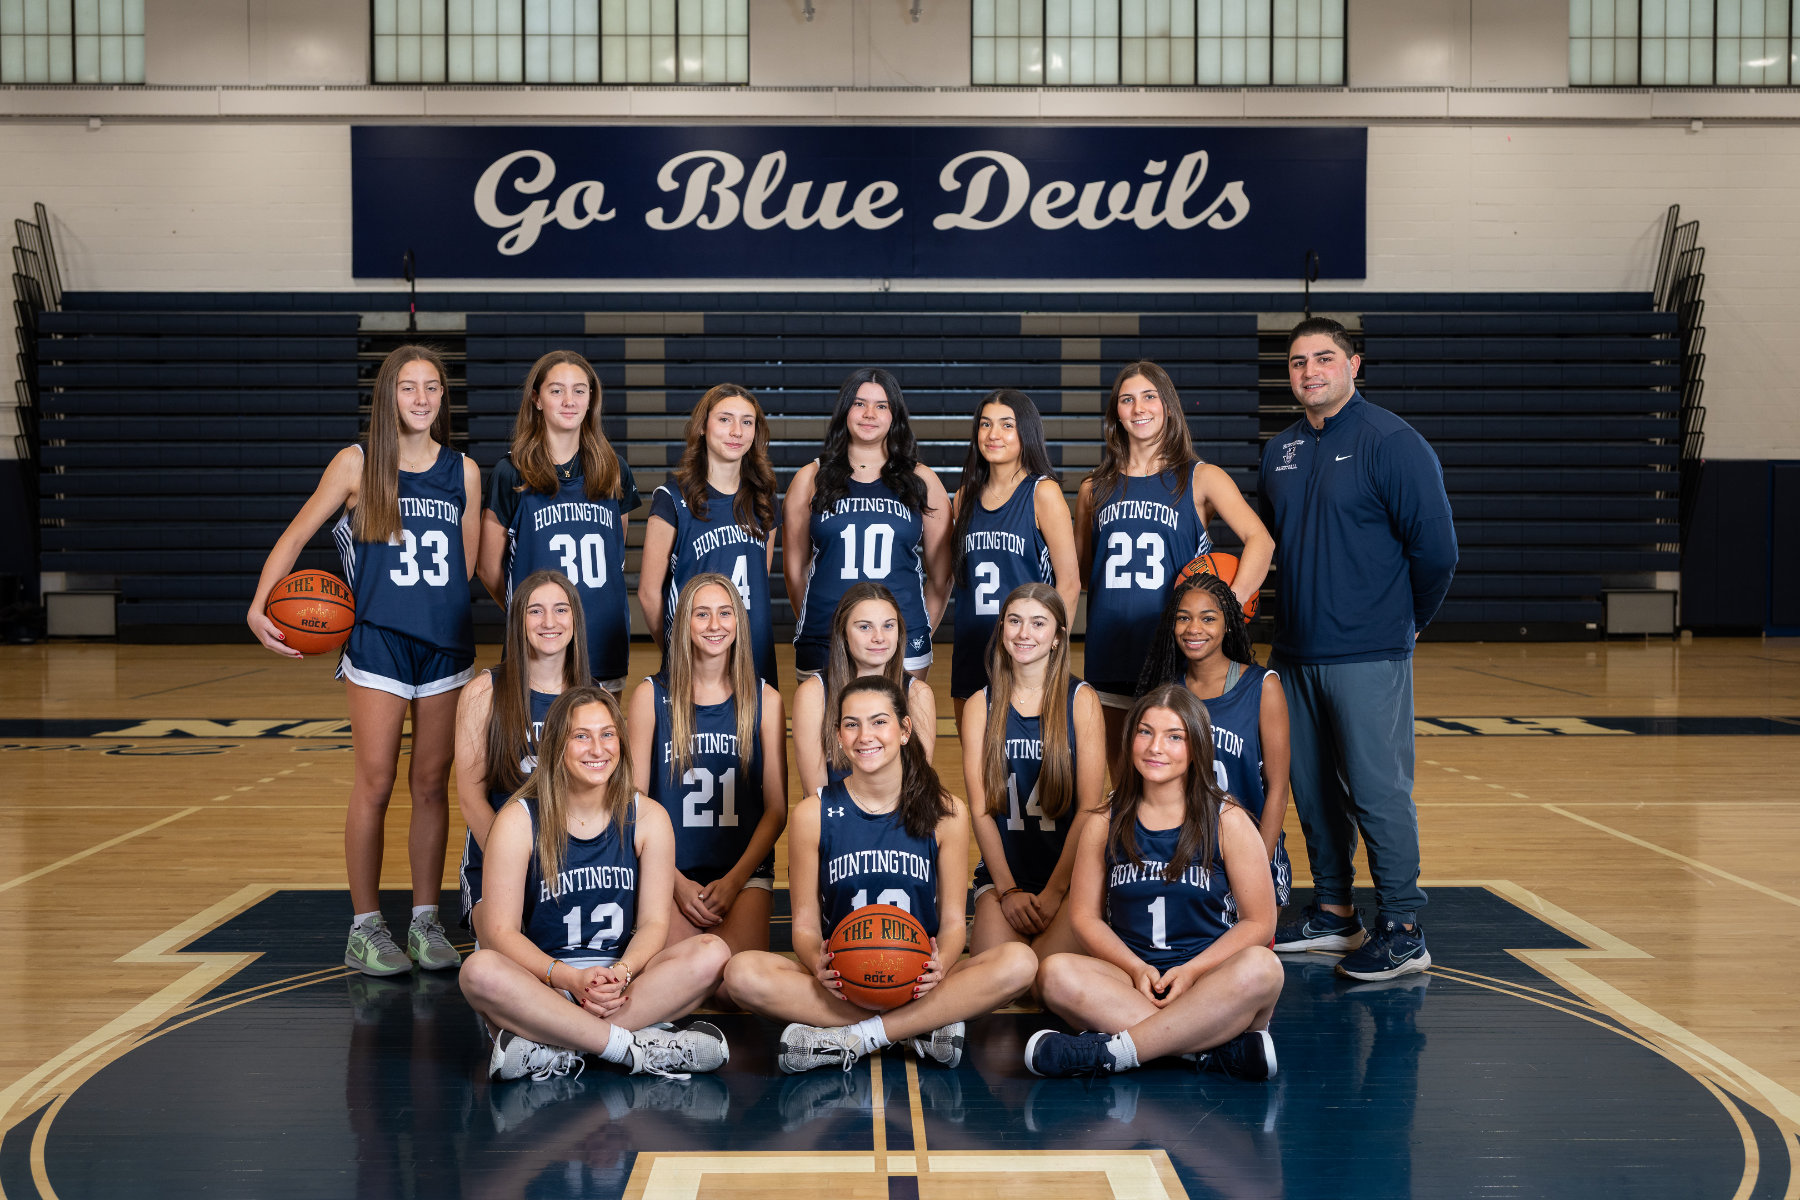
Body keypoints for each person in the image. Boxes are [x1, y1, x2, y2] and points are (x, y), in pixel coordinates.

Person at [246, 344, 477, 977]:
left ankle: (425, 920)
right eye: (408, 387)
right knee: (375, 782)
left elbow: (464, 569)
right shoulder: (356, 463)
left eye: (432, 387)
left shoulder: (464, 471)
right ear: (387, 396)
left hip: (445, 645)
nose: (422, 398)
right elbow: (296, 535)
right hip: (377, 642)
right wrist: (259, 605)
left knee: (431, 785)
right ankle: (365, 926)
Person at [1259, 317, 1458, 981]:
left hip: (1368, 651)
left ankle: (1403, 928)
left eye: (1324, 358)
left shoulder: (1392, 443)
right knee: (1312, 792)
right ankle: (1335, 912)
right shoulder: (1281, 451)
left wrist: (1409, 621)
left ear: (1354, 365)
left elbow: (1438, 551)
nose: (1309, 372)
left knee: (1378, 792)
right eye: (1297, 362)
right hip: (1294, 652)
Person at [723, 676, 1038, 1073]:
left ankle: (855, 1037)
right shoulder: (813, 815)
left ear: (905, 730)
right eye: (851, 724)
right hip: (844, 982)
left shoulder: (946, 813)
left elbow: (954, 923)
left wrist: (941, 964)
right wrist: (817, 961)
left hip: (919, 980)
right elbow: (804, 924)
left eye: (878, 722)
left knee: (1020, 963)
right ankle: (914, 1030)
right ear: (838, 736)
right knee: (741, 974)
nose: (864, 736)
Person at [457, 686, 733, 1082]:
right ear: (557, 746)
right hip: (545, 983)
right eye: (581, 736)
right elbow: (501, 933)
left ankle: (556, 1044)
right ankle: (634, 1047)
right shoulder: (518, 821)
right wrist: (568, 978)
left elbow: (654, 924)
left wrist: (621, 973)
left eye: (607, 734)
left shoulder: (648, 817)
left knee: (713, 953)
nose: (598, 749)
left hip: (621, 988)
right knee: (478, 970)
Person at [1024, 685, 1284, 1080]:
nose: (1155, 747)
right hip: (1133, 981)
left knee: (1264, 967)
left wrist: (1192, 971)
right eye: (1145, 732)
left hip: (1208, 980)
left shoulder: (1227, 819)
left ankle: (1110, 1053)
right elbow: (1084, 918)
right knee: (1054, 972)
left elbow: (1260, 922)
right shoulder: (1104, 820)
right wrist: (1135, 968)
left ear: (1197, 747)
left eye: (1174, 737)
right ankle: (1207, 1050)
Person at [1074, 361, 1273, 772]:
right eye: (1127, 399)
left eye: (1149, 396)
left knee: (1176, 777)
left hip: (1177, 654)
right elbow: (1085, 571)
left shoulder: (1201, 477)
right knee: (1122, 778)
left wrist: (1230, 605)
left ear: (1167, 406)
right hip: (1110, 650)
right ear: (1115, 413)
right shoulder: (1093, 488)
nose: (1138, 408)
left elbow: (1261, 540)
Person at [628, 573, 787, 1003]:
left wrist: (734, 881)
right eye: (702, 614)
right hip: (669, 871)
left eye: (724, 613)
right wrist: (674, 881)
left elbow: (776, 810)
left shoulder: (765, 700)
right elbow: (633, 805)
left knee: (733, 988)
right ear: (684, 622)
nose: (714, 624)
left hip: (742, 875)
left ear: (738, 622)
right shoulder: (650, 697)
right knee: (684, 981)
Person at [479, 350, 640, 691]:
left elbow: (616, 553)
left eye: (579, 390)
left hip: (602, 640)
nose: (569, 400)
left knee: (597, 727)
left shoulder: (614, 469)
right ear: (536, 399)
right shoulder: (511, 473)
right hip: (539, 647)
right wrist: (532, 615)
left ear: (591, 398)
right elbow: (488, 568)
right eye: (556, 390)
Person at [963, 584, 1105, 964]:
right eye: (1014, 621)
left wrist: (1056, 891)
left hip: (1069, 877)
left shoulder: (1082, 701)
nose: (1024, 633)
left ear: (1058, 637)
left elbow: (1090, 809)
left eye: (1038, 623)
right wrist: (1008, 891)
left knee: (1048, 978)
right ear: (1002, 629)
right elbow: (980, 809)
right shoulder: (980, 705)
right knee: (1003, 977)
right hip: (1004, 876)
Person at [1136, 571, 1293, 908]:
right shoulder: (1166, 692)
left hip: (1249, 850)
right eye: (1183, 618)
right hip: (1183, 854)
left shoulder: (1263, 686)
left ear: (1228, 625)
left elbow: (1278, 790)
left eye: (1208, 618)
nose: (1194, 629)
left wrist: (1255, 868)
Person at [783, 368, 951, 680]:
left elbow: (941, 579)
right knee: (824, 714)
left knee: (898, 714)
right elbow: (794, 573)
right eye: (859, 404)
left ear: (894, 415)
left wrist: (914, 628)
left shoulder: (922, 479)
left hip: (899, 639)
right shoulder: (809, 478)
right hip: (824, 636)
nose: (869, 414)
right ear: (844, 410)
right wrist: (821, 621)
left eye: (881, 406)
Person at [454, 569, 592, 944]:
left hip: (573, 864)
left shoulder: (592, 696)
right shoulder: (485, 691)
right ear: (518, 620)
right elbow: (470, 799)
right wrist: (518, 866)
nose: (549, 622)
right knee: (505, 963)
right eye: (535, 611)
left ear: (575, 620)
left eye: (560, 609)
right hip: (499, 861)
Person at [948, 389, 1080, 728]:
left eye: (1007, 425)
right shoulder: (963, 498)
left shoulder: (1042, 493)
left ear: (1026, 432)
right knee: (975, 756)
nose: (994, 434)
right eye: (985, 424)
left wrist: (1052, 649)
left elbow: (1069, 583)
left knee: (1025, 754)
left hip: (1025, 651)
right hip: (972, 648)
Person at [638, 383, 781, 687]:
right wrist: (677, 649)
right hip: (696, 657)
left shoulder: (765, 498)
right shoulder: (672, 498)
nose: (737, 431)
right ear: (703, 426)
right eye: (725, 419)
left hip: (753, 651)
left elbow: (760, 577)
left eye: (747, 422)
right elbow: (649, 593)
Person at [790, 582, 938, 797]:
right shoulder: (813, 694)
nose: (879, 637)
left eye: (888, 626)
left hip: (899, 815)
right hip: (833, 816)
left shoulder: (918, 694)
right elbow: (817, 796)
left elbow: (918, 786)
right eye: (865, 627)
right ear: (843, 632)